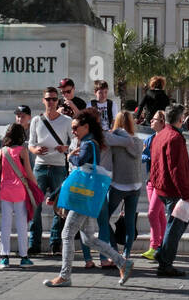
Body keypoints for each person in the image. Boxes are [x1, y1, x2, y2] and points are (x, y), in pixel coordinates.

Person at [44, 107, 134, 286]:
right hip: (87, 196)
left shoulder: (88, 143)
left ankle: (65, 276)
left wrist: (70, 157)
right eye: (73, 128)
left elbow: (81, 163)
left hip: (82, 198)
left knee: (67, 234)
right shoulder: (90, 142)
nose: (73, 131)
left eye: (76, 128)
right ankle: (123, 263)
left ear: (86, 127)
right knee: (88, 238)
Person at [148, 104, 189, 277]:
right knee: (176, 226)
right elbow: (176, 169)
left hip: (162, 187)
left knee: (177, 223)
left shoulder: (160, 136)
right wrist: (186, 194)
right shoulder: (174, 138)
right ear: (180, 119)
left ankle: (163, 253)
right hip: (172, 189)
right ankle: (165, 262)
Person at [28, 88, 71, 256]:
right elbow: (30, 144)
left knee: (59, 207)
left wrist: (65, 148)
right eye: (48, 99)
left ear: (58, 101)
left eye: (54, 99)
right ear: (43, 100)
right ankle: (34, 243)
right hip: (40, 165)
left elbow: (74, 142)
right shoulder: (36, 121)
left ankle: (55, 242)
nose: (51, 102)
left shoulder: (66, 120)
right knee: (35, 206)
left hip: (59, 165)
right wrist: (35, 150)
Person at [0, 123, 37, 268]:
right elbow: (29, 172)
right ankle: (24, 257)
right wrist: (35, 186)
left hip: (5, 190)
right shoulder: (22, 151)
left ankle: (4, 257)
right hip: (20, 191)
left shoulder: (1, 152)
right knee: (21, 224)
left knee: (5, 224)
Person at [107, 112, 145, 258]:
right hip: (135, 185)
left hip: (118, 185)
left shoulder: (114, 142)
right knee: (130, 223)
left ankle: (113, 250)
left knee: (103, 217)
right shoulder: (139, 141)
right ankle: (126, 253)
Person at [140, 110, 168, 261]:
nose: (151, 121)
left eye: (154, 119)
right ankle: (164, 244)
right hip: (150, 181)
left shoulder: (166, 139)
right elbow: (145, 157)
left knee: (152, 213)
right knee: (158, 214)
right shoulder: (150, 139)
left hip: (161, 183)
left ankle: (154, 246)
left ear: (162, 122)